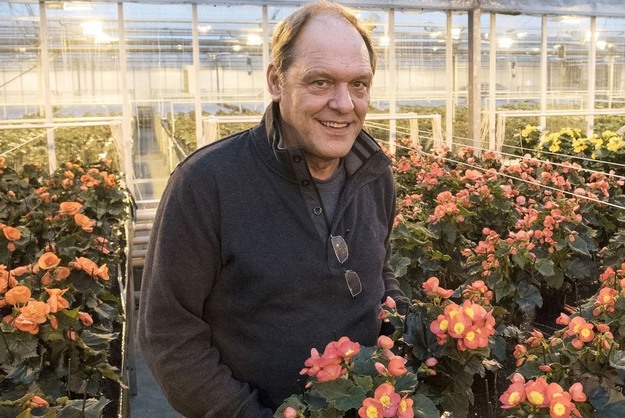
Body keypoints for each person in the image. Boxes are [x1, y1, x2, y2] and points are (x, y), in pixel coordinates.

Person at [137, 1, 408, 416]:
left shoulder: (375, 174)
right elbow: (169, 333)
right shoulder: (206, 183)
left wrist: (405, 332)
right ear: (276, 81)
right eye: (320, 82)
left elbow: (378, 268)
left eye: (359, 84)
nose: (344, 103)